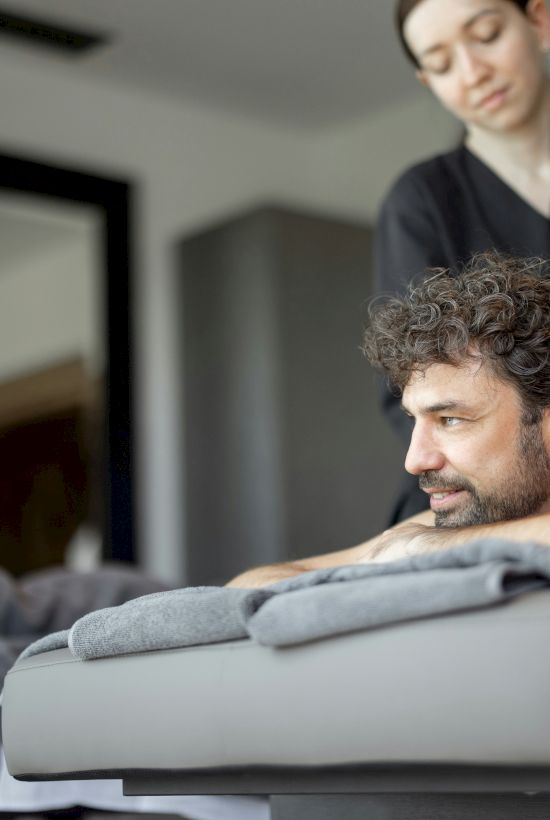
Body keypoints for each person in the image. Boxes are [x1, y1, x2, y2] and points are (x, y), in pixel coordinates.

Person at [228, 251, 550, 588]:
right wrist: (409, 550)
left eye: (450, 419)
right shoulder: (458, 526)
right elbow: (246, 587)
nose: (414, 462)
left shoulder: (434, 540)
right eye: (415, 420)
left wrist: (436, 548)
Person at [376, 0, 550, 522]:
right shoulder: (423, 200)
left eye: (488, 34)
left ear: (540, 19)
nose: (474, 73)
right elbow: (418, 388)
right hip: (490, 498)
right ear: (429, 82)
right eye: (444, 63)